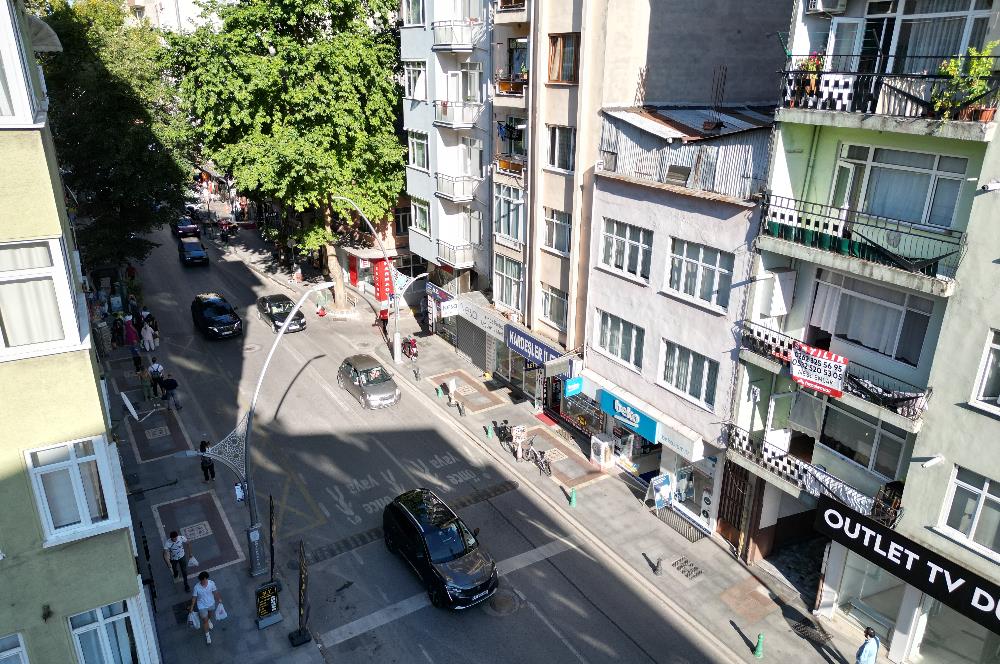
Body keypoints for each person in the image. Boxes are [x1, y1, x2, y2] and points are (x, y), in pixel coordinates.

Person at [189, 571, 222, 644]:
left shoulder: (211, 583)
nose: (205, 581)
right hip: (202, 606)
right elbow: (194, 597)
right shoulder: (196, 587)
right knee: (204, 620)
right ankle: (207, 636)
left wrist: (218, 598)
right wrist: (192, 606)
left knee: (209, 615)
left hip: (211, 603)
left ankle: (209, 620)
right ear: (201, 580)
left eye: (205, 579)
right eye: (203, 580)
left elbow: (215, 592)